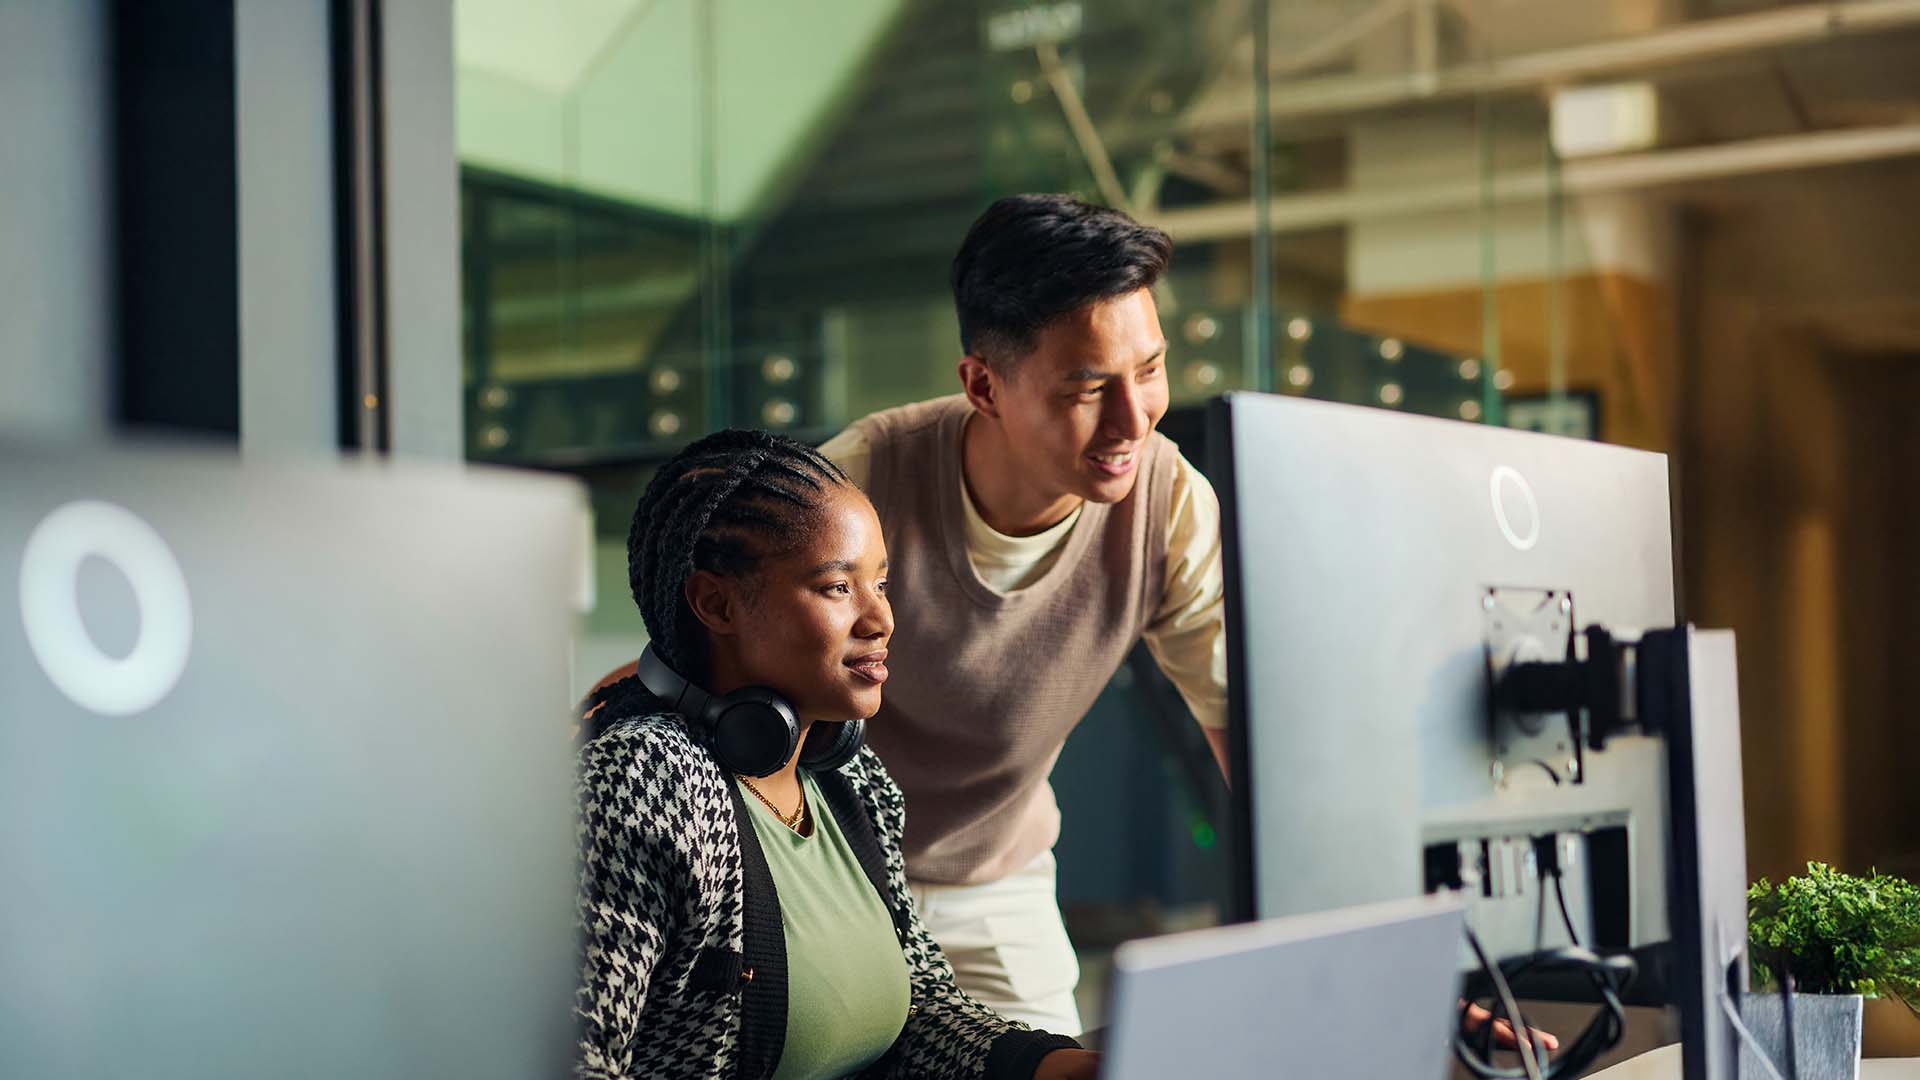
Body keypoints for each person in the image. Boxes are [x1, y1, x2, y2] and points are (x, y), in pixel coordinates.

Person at [574, 429, 1098, 1080]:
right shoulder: (640, 782)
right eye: (835, 588)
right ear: (716, 603)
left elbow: (917, 1007)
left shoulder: (848, 776)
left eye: (880, 582)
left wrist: (1062, 1067)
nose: (881, 619)